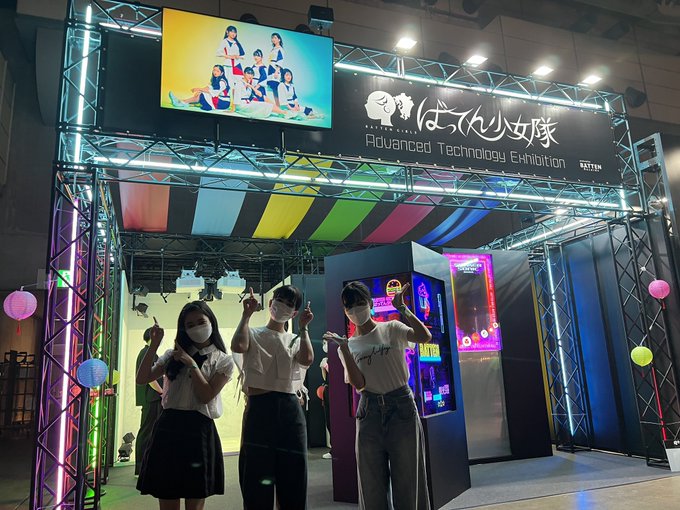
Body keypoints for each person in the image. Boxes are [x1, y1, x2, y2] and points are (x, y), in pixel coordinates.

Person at [324, 281, 432, 510]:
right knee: (371, 484)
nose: (355, 309)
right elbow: (359, 384)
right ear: (345, 311)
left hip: (401, 406)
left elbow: (424, 337)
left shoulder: (391, 328)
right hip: (369, 410)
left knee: (409, 480)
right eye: (349, 306)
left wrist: (403, 309)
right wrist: (344, 349)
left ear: (370, 303)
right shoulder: (349, 344)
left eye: (360, 303)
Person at [136, 303, 234, 510]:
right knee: (167, 493)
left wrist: (192, 365)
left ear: (211, 323)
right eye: (190, 325)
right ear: (184, 329)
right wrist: (154, 346)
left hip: (200, 429)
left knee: (195, 495)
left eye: (201, 322)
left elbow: (206, 396)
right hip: (169, 426)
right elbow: (142, 378)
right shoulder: (172, 355)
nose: (196, 327)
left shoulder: (223, 360)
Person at [231, 285, 314, 510]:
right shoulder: (253, 333)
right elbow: (237, 345)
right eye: (279, 300)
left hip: (290, 408)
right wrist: (246, 314)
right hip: (259, 408)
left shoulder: (294, 339)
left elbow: (307, 360)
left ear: (294, 313)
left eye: (289, 304)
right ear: (270, 303)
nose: (282, 305)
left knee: (294, 477)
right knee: (255, 477)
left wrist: (304, 329)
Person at [134, 327, 164, 476]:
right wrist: (162, 392)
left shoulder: (147, 352)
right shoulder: (147, 353)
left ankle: (145, 467)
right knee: (146, 432)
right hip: (152, 399)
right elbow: (150, 378)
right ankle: (141, 468)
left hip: (151, 398)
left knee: (149, 431)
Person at [215, 25, 245, 97]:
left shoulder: (237, 43)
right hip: (228, 64)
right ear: (227, 32)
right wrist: (228, 56)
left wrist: (238, 56)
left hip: (237, 64)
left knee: (239, 81)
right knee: (228, 82)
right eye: (231, 31)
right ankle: (229, 98)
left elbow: (243, 55)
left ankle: (237, 98)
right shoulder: (224, 41)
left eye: (235, 32)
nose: (233, 34)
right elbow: (218, 53)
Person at [318, 340, 332, 460]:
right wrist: (324, 366)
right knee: (329, 420)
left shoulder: (340, 356)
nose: (324, 345)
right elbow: (324, 378)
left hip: (338, 390)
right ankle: (333, 449)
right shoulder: (324, 360)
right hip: (328, 390)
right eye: (323, 343)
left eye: (326, 342)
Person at [266, 32, 285, 106]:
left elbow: (280, 60)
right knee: (273, 88)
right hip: (271, 68)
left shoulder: (280, 49)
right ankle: (277, 105)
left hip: (275, 68)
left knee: (276, 87)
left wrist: (277, 71)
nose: (273, 39)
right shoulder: (273, 49)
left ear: (279, 39)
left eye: (275, 38)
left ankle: (279, 105)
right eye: (272, 38)